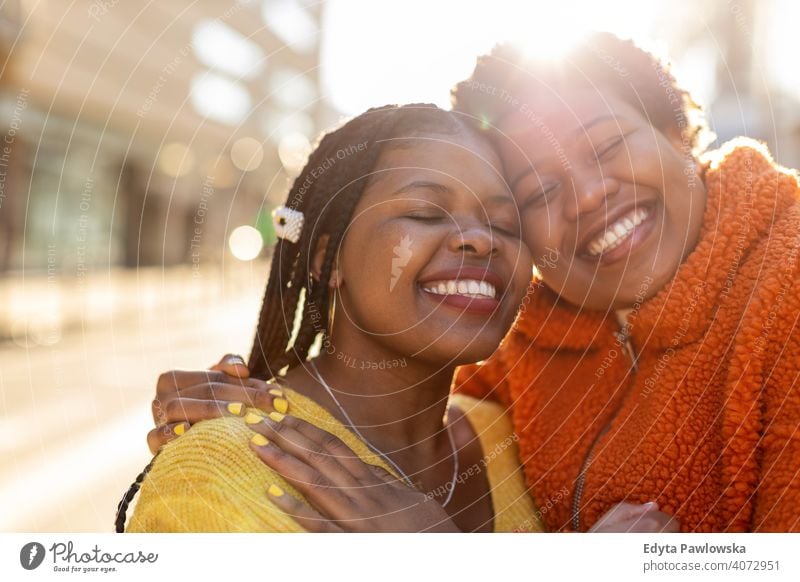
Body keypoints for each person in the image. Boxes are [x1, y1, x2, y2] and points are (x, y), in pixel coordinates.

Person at [121, 103, 541, 532]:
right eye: (425, 213)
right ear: (326, 259)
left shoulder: (506, 436)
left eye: (506, 224)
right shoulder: (211, 477)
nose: (482, 240)